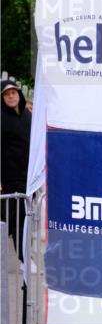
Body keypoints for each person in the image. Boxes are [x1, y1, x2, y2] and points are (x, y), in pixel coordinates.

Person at [1, 77, 32, 260]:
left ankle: (23, 255)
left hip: (28, 177)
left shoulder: (28, 116)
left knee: (25, 218)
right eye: (6, 95)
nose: (11, 96)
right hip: (9, 179)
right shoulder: (1, 118)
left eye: (13, 92)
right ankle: (22, 257)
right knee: (12, 219)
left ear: (18, 94)